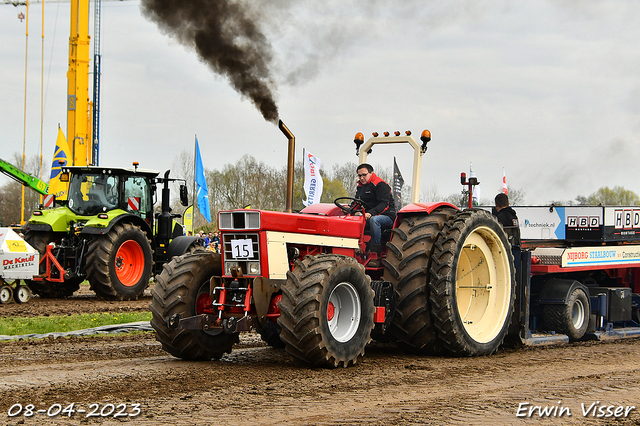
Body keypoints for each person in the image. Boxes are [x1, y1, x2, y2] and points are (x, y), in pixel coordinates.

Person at [354, 163, 396, 248]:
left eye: (364, 175)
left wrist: (370, 213)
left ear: (371, 173)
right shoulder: (360, 186)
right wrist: (349, 209)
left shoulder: (380, 184)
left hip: (386, 216)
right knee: (350, 219)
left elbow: (384, 204)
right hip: (367, 215)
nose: (361, 178)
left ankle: (375, 249)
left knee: (374, 220)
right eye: (359, 176)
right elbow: (357, 202)